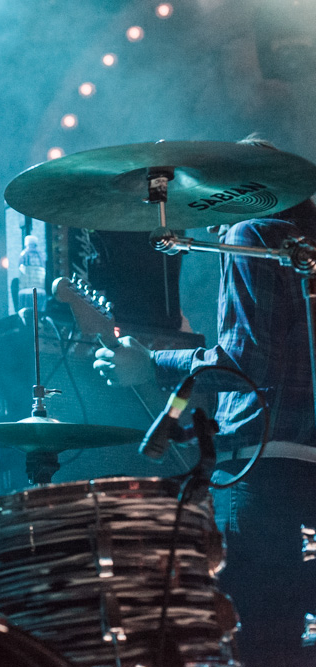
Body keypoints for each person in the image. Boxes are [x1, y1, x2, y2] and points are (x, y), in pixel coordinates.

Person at [92, 139, 316, 666]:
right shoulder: (305, 245)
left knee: (258, 640)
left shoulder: (253, 234)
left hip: (268, 470)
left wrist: (149, 365)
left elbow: (245, 363)